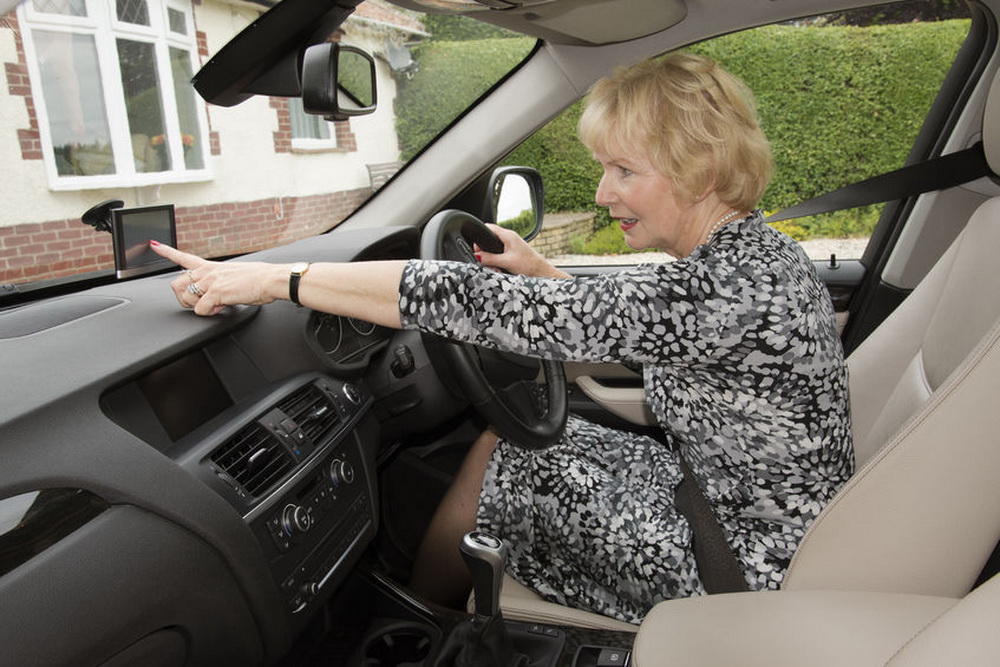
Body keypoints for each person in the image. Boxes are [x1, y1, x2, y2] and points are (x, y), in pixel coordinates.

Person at [152, 52, 854, 624]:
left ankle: (419, 624)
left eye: (624, 171)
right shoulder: (752, 259)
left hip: (735, 568)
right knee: (509, 440)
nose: (604, 194)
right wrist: (542, 273)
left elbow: (466, 298)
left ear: (698, 171)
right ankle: (431, 608)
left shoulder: (719, 289)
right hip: (738, 516)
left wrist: (276, 281)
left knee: (509, 465)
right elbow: (637, 322)